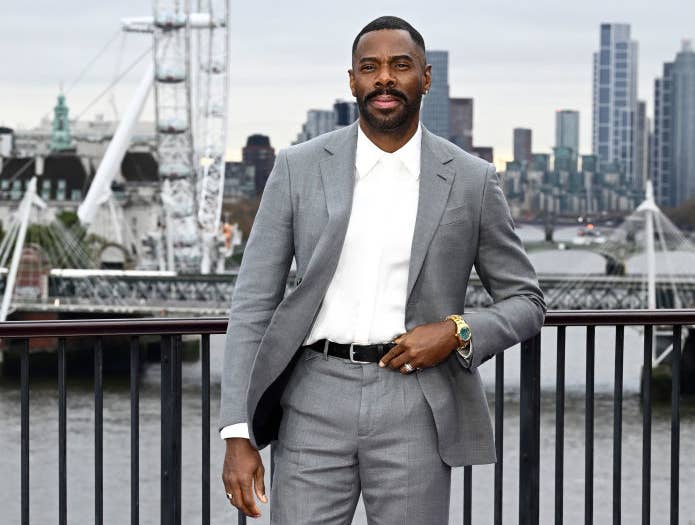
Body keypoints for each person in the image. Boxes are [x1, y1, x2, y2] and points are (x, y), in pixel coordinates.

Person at [219, 15, 545, 524]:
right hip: (311, 401)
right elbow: (253, 304)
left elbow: (527, 302)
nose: (384, 79)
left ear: (426, 78)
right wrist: (238, 432)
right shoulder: (297, 167)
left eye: (400, 66)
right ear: (352, 80)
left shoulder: (471, 180)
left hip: (416, 404)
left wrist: (456, 332)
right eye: (370, 67)